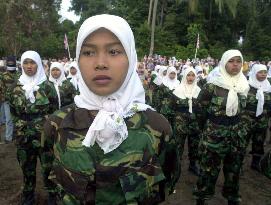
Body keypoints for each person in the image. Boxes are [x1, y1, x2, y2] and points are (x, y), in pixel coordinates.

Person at [43, 14, 179, 204]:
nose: (100, 63)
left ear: (131, 58)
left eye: (114, 51)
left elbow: (167, 180)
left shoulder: (157, 127)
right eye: (88, 52)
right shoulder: (58, 123)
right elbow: (50, 178)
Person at [193, 50, 250, 205]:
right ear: (224, 63)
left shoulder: (244, 85)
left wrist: (242, 130)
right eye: (231, 61)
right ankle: (202, 197)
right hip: (213, 137)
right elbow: (200, 110)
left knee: (234, 169)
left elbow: (245, 112)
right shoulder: (212, 86)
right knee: (208, 170)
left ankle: (232, 196)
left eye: (239, 61)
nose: (236, 65)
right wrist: (209, 129)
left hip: (236, 137)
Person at [7, 51, 58, 205]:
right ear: (21, 65)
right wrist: (19, 127)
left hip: (44, 136)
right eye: (26, 63)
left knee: (48, 168)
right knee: (26, 168)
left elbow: (55, 110)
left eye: (32, 62)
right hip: (24, 136)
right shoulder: (16, 86)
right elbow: (13, 111)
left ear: (38, 64)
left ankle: (52, 197)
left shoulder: (47, 86)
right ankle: (28, 196)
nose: (29, 66)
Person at [171, 67, 201, 176]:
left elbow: (202, 108)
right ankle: (176, 166)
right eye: (188, 75)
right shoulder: (177, 90)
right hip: (180, 123)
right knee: (178, 145)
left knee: (194, 145)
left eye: (193, 75)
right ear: (184, 76)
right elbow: (172, 107)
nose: (191, 78)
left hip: (194, 123)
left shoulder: (199, 91)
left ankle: (193, 165)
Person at [246, 64, 271, 171]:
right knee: (243, 142)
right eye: (260, 72)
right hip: (246, 121)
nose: (263, 75)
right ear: (255, 72)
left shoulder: (268, 88)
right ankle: (238, 162)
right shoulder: (247, 86)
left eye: (265, 72)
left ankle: (255, 163)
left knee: (259, 142)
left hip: (262, 122)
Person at [0, 55, 18, 143]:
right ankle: (8, 138)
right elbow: (1, 88)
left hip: (19, 101)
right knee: (9, 120)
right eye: (9, 62)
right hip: (7, 101)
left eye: (12, 62)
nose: (11, 63)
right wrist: (3, 98)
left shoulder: (19, 74)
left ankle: (17, 135)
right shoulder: (3, 75)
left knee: (18, 119)